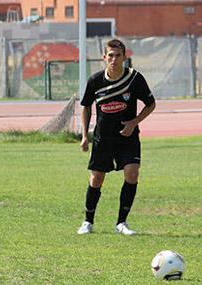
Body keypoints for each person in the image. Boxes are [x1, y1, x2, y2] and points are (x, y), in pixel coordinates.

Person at [77, 39, 156, 236]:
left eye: (118, 55)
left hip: (128, 137)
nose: (114, 59)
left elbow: (151, 103)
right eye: (110, 55)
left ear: (124, 57)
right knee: (97, 179)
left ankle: (122, 222)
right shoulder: (95, 81)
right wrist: (85, 135)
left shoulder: (134, 78)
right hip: (103, 138)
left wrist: (133, 123)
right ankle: (88, 221)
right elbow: (86, 106)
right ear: (104, 57)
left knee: (132, 173)